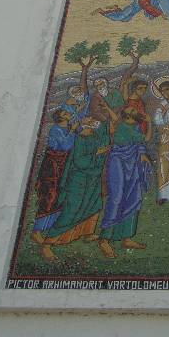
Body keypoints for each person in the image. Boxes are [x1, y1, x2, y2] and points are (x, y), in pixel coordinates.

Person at [41, 117, 110, 261]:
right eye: (90, 120)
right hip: (79, 178)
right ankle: (47, 243)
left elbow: (104, 136)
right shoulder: (80, 139)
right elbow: (79, 161)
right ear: (85, 124)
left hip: (93, 177)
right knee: (71, 209)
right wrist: (97, 153)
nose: (93, 121)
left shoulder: (95, 135)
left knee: (92, 205)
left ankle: (86, 232)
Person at [97, 106, 153, 259]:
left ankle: (126, 238)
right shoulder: (123, 127)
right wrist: (150, 123)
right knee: (117, 198)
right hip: (118, 162)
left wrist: (142, 154)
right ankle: (104, 239)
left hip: (133, 161)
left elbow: (140, 144)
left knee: (134, 196)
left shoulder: (135, 126)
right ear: (128, 116)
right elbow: (145, 139)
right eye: (134, 112)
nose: (138, 113)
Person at [30, 109, 77, 245]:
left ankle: (52, 228)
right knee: (49, 196)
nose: (68, 114)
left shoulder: (68, 127)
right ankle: (36, 231)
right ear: (60, 118)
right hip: (52, 166)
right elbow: (65, 145)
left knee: (60, 196)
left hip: (63, 165)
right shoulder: (55, 130)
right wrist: (73, 131)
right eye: (65, 114)